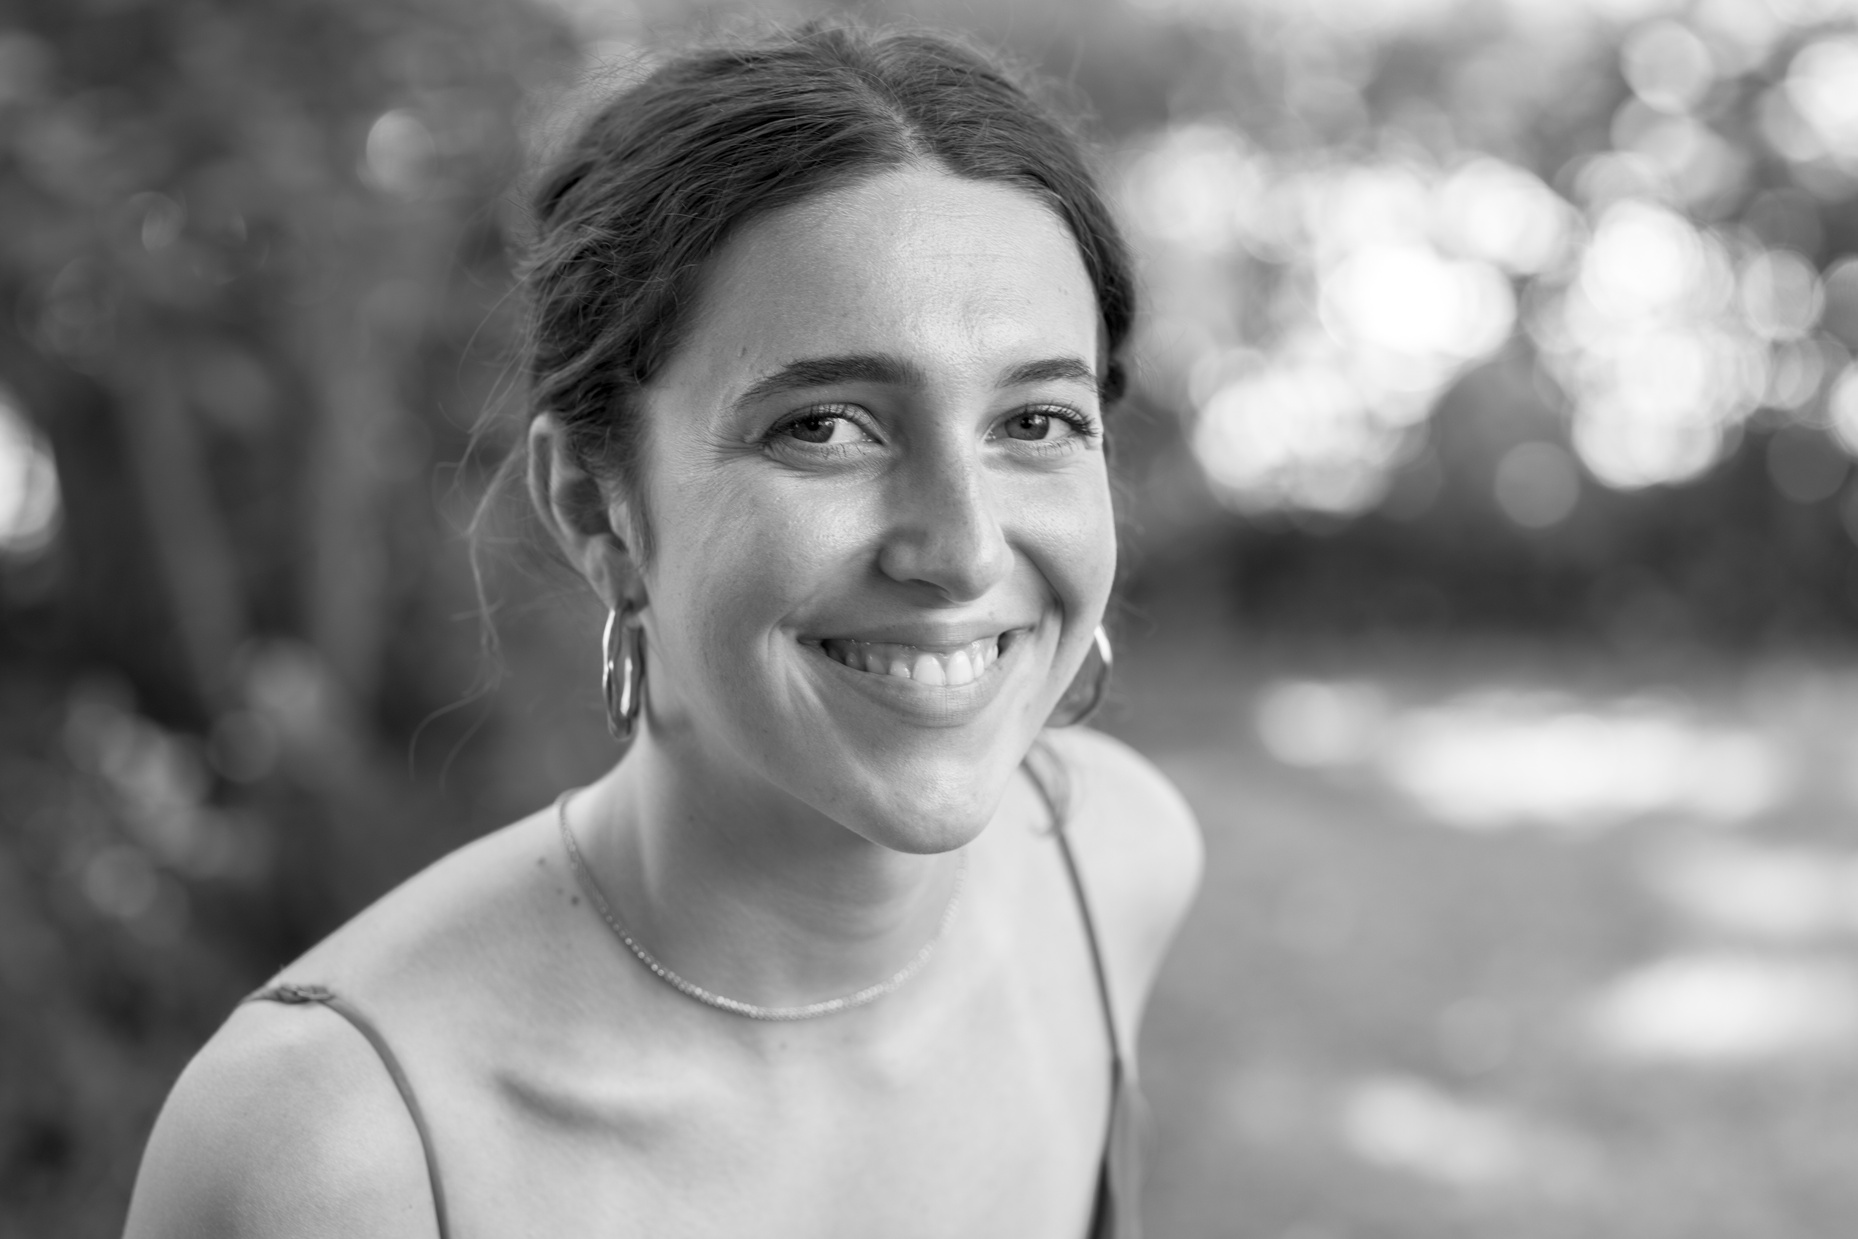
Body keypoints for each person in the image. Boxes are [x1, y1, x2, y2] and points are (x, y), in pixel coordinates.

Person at [123, 22, 1202, 1239]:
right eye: (824, 427)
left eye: (1037, 422)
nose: (963, 552)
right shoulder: (332, 1150)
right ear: (598, 506)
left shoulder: (1116, 866)